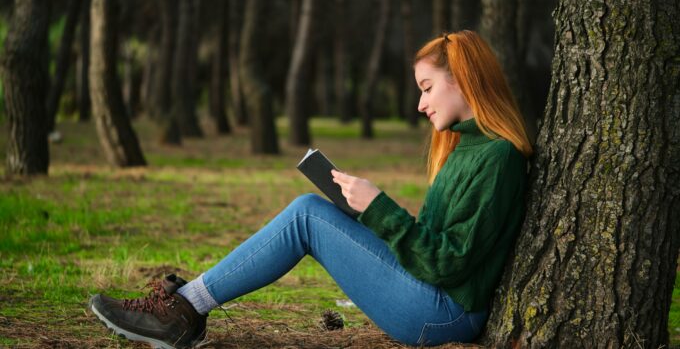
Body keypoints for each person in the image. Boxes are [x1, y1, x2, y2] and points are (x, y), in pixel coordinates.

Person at [89, 30, 533, 348]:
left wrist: (380, 209)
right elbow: (433, 248)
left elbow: (449, 263)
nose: (420, 103)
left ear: (463, 79)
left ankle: (183, 312)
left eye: (427, 87)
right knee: (316, 210)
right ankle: (185, 309)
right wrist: (366, 213)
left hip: (443, 315)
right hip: (431, 296)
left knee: (306, 214)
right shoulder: (467, 148)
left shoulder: (499, 158)